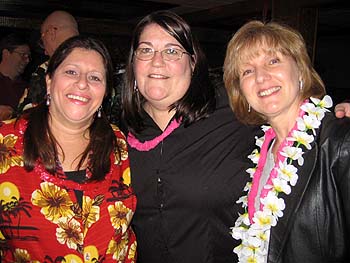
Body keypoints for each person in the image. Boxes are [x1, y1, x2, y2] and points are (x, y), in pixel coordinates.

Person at [122, 10, 258, 263]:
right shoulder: (119, 132)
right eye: (146, 50)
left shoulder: (232, 109)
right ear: (133, 63)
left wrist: (336, 118)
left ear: (193, 63)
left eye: (172, 51)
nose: (157, 61)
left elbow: (290, 111)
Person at [0, 35, 136, 262]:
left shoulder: (119, 144)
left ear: (105, 92)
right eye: (71, 72)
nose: (83, 83)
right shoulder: (6, 141)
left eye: (95, 77)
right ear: (49, 81)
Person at [223, 20, 350, 263]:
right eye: (247, 71)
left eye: (273, 61)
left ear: (300, 71)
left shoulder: (339, 143)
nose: (261, 77)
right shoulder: (260, 149)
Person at [19, 10, 79, 111]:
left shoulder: (47, 68)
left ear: (51, 32)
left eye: (42, 41)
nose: (45, 52)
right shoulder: (97, 64)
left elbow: (27, 116)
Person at [0, 33, 31, 120]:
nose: (27, 60)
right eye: (23, 55)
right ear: (6, 54)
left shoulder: (28, 88)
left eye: (28, 56)